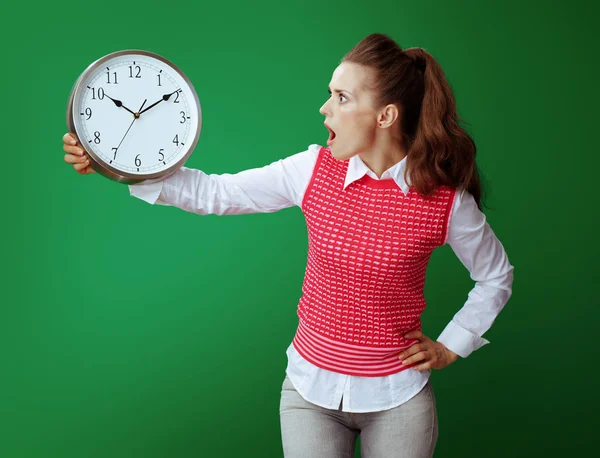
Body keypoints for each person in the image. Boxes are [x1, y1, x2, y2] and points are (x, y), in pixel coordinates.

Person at [62, 33, 514, 458]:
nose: (324, 109)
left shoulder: (443, 202)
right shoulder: (312, 170)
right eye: (329, 93)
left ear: (385, 115)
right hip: (307, 394)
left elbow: (495, 276)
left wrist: (453, 343)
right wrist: (116, 164)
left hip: (398, 399)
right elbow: (217, 194)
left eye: (342, 98)